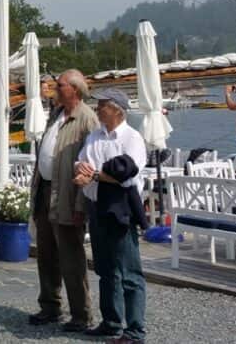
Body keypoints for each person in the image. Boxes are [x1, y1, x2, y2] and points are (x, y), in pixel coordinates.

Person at [74, 88, 149, 343]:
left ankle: (135, 330)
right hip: (97, 206)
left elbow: (124, 173)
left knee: (128, 271)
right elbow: (82, 161)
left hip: (120, 208)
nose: (98, 107)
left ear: (117, 109)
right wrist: (82, 169)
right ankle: (112, 321)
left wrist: (93, 174)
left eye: (103, 104)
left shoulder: (132, 138)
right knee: (106, 269)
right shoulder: (95, 136)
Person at [27, 69, 98, 331]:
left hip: (68, 196)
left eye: (59, 85)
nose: (54, 89)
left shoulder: (87, 120)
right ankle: (50, 306)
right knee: (45, 253)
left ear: (75, 90)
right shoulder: (56, 114)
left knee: (71, 257)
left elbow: (90, 166)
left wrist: (81, 205)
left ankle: (81, 314)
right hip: (46, 190)